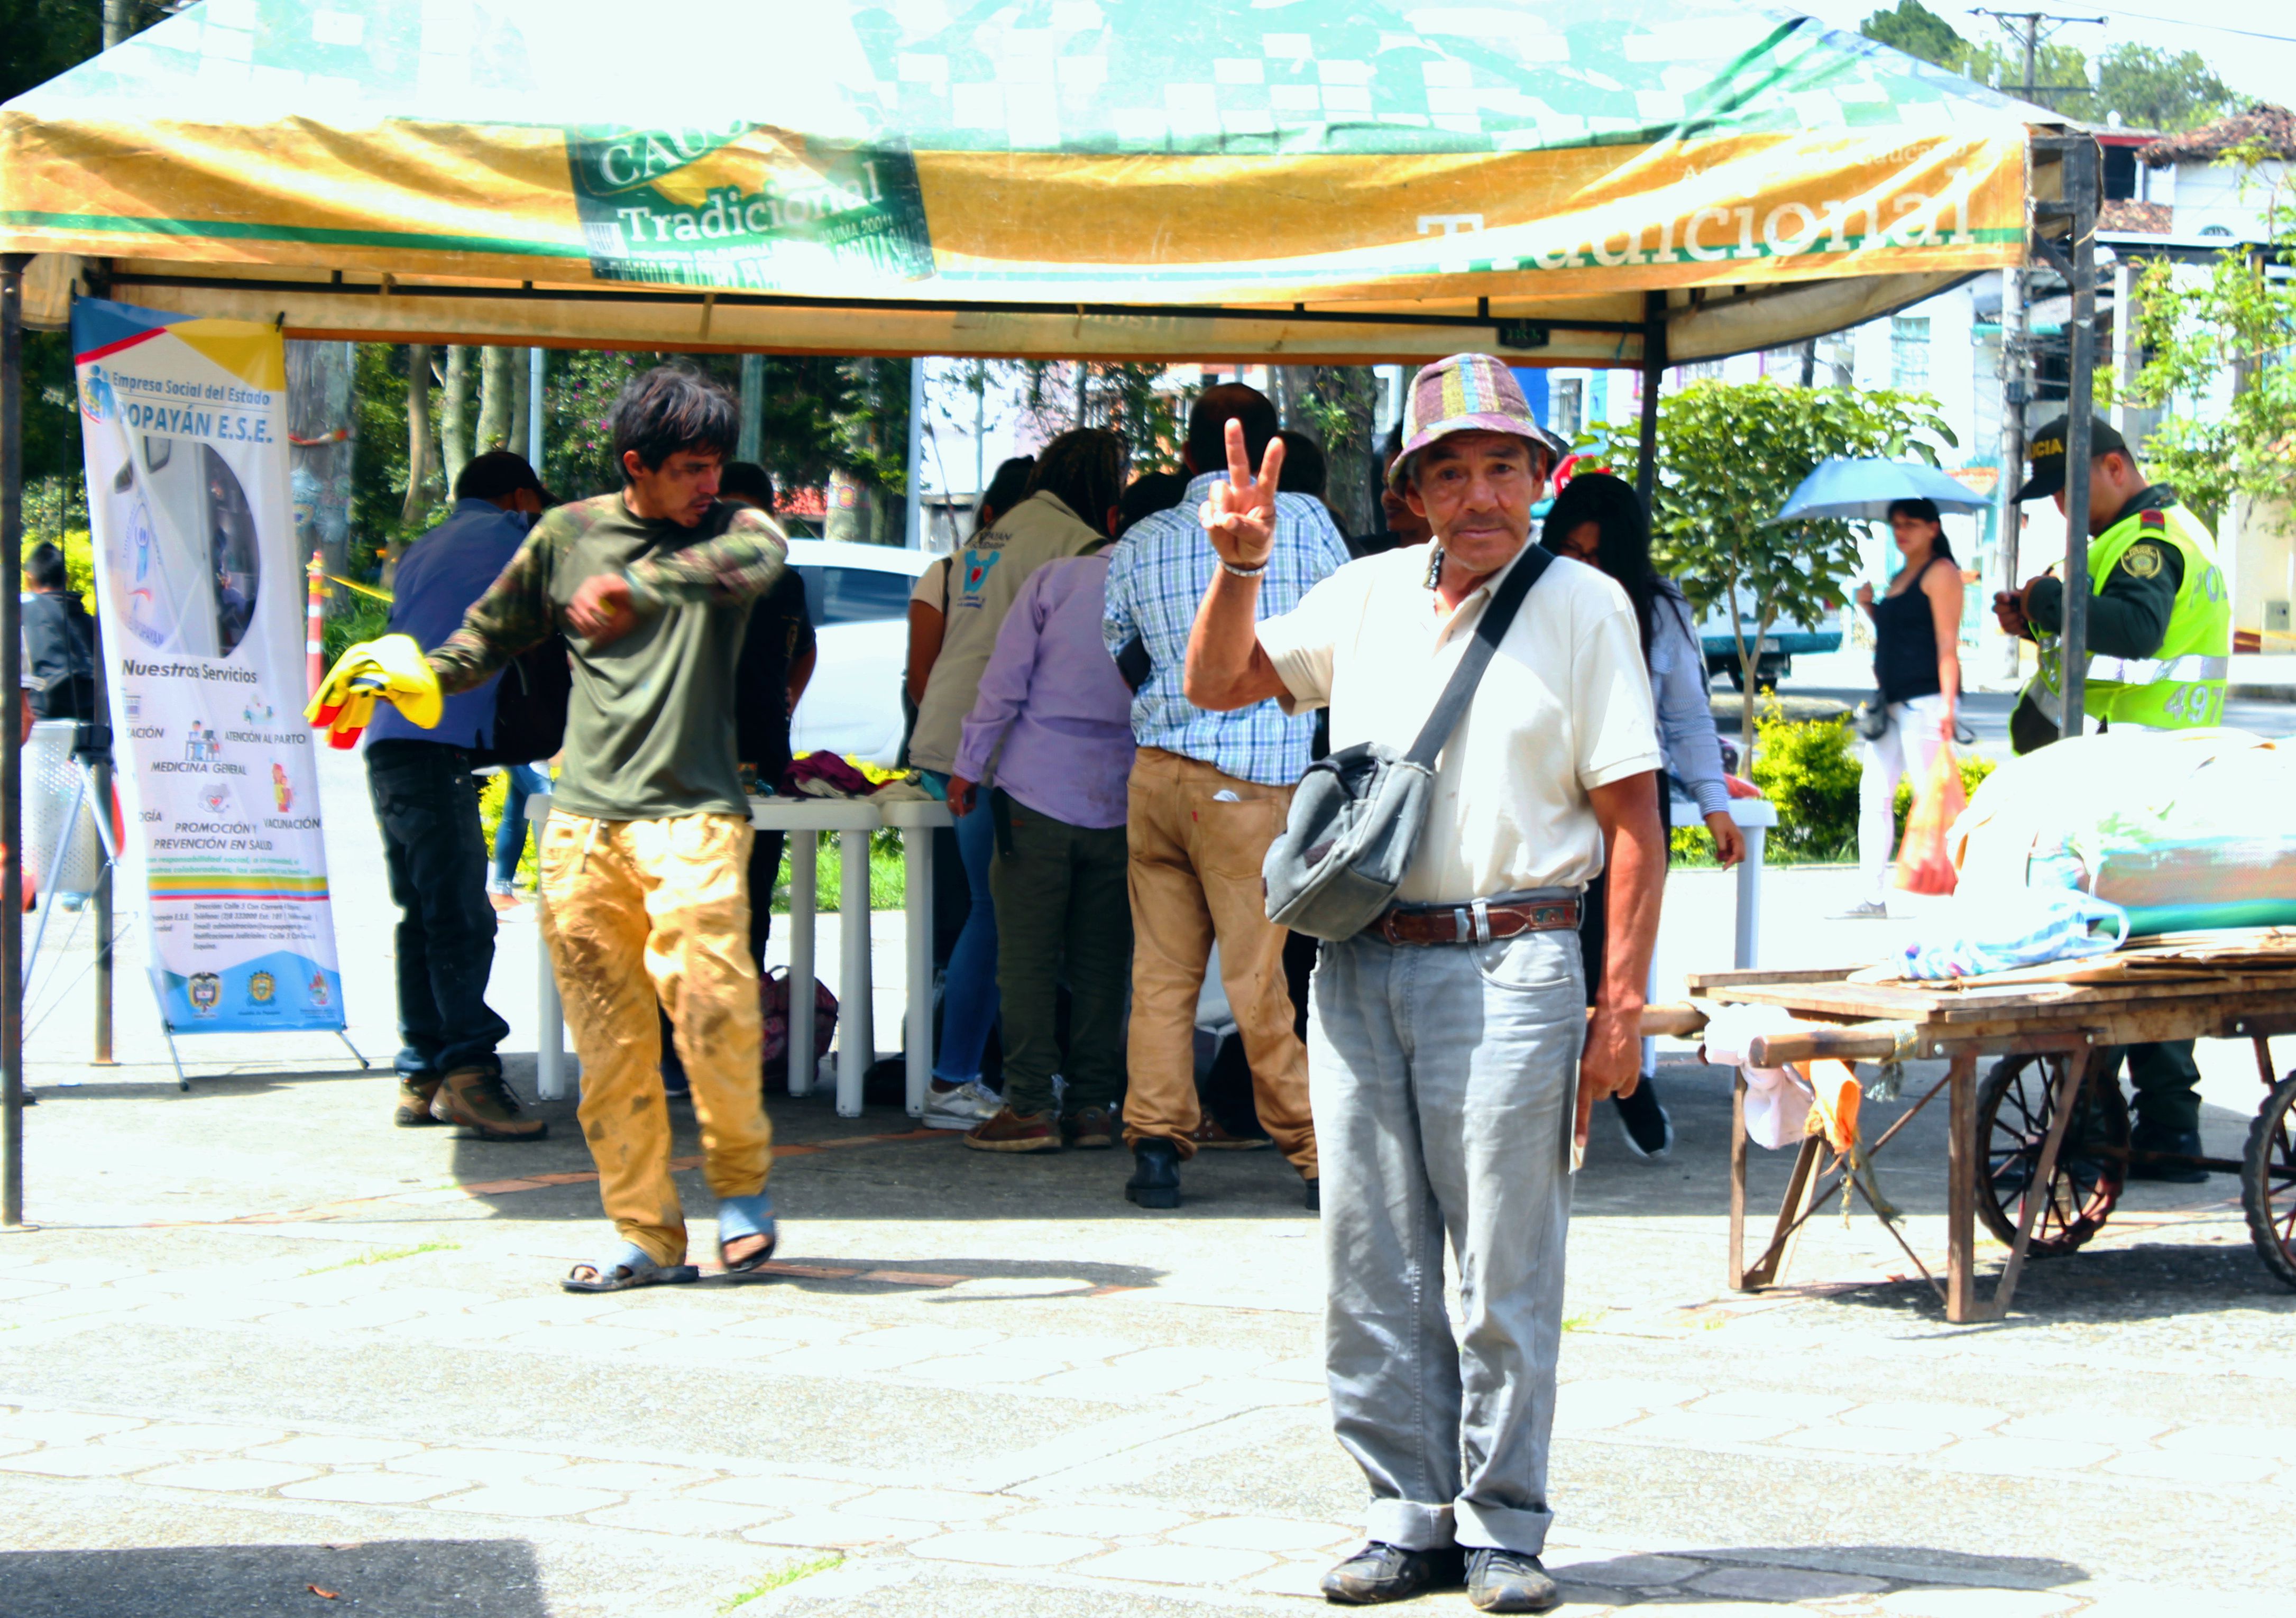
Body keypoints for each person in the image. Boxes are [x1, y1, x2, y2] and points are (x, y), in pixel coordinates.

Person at [1185, 354, 1665, 1613]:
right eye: (1448, 472)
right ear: (1412, 494)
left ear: (1541, 477)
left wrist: (1620, 1009)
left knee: (1503, 1258)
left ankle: (1507, 1521)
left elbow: (1632, 824)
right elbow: (1218, 684)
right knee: (1373, 1254)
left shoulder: (1583, 607)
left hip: (1515, 961)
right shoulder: (1363, 594)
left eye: (1503, 466)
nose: (1480, 495)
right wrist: (1237, 565)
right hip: (1360, 964)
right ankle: (1405, 1512)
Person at [408, 365, 792, 1290]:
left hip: (694, 817)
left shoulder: (734, 531)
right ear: (637, 465)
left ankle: (740, 1193)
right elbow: (483, 640)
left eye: (716, 466)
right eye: (692, 469)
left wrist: (640, 590)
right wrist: (409, 676)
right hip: (583, 828)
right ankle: (646, 1237)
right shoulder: (564, 535)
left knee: (714, 1005)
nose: (710, 484)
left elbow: (765, 553)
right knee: (611, 1047)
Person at [1103, 384, 1349, 1211]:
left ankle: (1156, 1148)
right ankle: (1313, 1150)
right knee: (1258, 980)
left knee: (1161, 975)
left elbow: (1123, 652)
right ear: (1270, 448)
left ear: (1182, 453)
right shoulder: (1305, 522)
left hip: (1156, 777)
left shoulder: (1138, 537)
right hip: (1250, 784)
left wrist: (1176, 702)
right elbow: (1350, 627)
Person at [1997, 416, 2231, 1181]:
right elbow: (2109, 654)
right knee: (2136, 957)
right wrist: (2038, 618)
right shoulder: (2121, 541)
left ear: (2113, 468)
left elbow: (2135, 629)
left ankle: (2116, 1132)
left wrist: (2046, 600)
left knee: (2114, 958)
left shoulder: (2151, 539)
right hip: (2131, 779)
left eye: (2068, 493)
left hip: (2144, 784)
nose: (2061, 513)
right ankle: (2153, 1133)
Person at [908, 436, 1125, 1130]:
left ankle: (988, 1074)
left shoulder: (995, 532)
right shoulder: (1077, 546)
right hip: (1000, 746)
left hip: (949, 731)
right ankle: (956, 1078)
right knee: (1000, 919)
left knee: (993, 913)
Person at [1541, 471, 1742, 1163]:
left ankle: (1627, 1078)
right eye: (1569, 550)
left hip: (1630, 791)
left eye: (1597, 557)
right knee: (1545, 945)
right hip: (1547, 791)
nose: (1581, 568)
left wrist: (1714, 804)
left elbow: (1687, 717)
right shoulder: (1528, 596)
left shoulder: (1657, 608)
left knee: (1615, 948)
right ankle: (1552, 1100)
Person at [367, 450, 548, 1139]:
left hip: (389, 738)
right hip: (434, 738)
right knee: (462, 918)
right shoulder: (514, 536)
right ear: (518, 497)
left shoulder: (423, 547)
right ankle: (471, 1073)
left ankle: (424, 1074)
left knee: (423, 913)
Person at [948, 544, 1134, 1153]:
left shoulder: (1057, 578)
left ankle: (1029, 1104)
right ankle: (1091, 1108)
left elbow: (1003, 682)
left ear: (1110, 524)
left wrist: (968, 765)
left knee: (1026, 958)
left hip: (1036, 795)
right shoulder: (1169, 578)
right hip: (1124, 795)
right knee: (1103, 963)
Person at [655, 459, 815, 1097]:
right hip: (685, 763)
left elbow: (804, 652)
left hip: (764, 764)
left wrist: (782, 705)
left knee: (748, 909)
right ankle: (673, 1051)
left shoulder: (787, 582)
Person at [1835, 496, 1963, 920]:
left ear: (1933, 528)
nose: (1901, 531)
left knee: (1932, 796)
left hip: (1925, 700)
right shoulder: (1901, 575)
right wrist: (1870, 608)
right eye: (1896, 524)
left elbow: (1947, 643)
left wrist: (1949, 704)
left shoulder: (1941, 573)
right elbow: (1899, 636)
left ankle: (1956, 891)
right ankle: (1871, 895)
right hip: (1889, 702)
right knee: (1873, 797)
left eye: (1910, 523)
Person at [21, 543, 95, 722]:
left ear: (30, 577)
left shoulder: (21, 613)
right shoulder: (91, 622)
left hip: (38, 722)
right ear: (67, 579)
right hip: (91, 724)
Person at [1348, 424, 1435, 557]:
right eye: (1386, 486)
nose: (1388, 497)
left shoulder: (1467, 561)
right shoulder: (1360, 555)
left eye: (1400, 485)